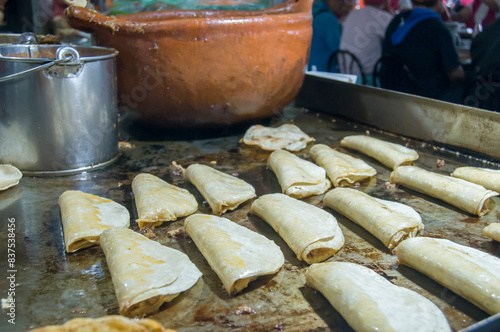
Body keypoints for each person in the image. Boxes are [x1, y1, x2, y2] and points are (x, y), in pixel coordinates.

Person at [380, 0, 465, 102]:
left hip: (391, 94)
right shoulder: (437, 28)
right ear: (439, 3)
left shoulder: (396, 21)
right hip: (426, 100)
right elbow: (455, 74)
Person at [339, 0, 394, 84]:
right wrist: (390, 12)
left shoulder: (352, 14)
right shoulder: (383, 17)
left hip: (345, 76)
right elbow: (395, 36)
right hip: (367, 80)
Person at [308, 0, 356, 72]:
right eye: (341, 1)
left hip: (312, 69)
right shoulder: (328, 19)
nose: (343, 5)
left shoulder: (315, 13)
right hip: (325, 73)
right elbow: (340, 48)